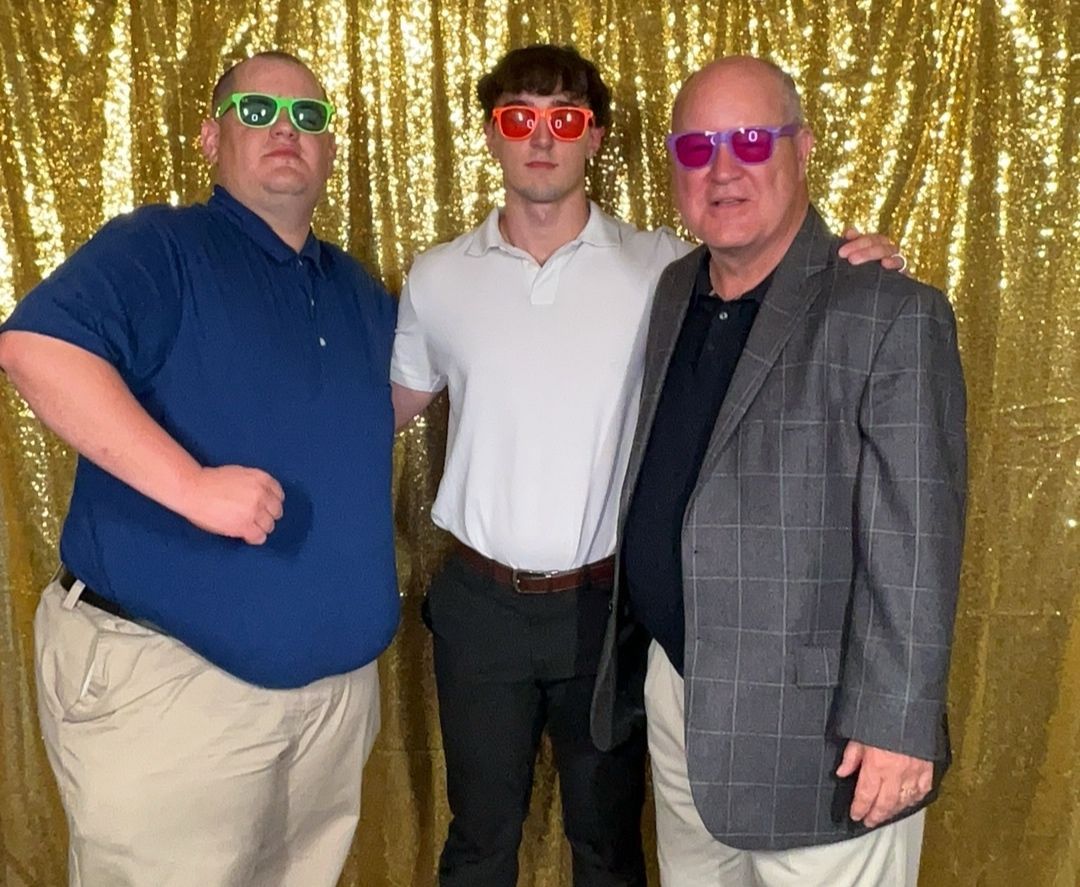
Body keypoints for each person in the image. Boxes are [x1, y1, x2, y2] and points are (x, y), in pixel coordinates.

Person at [391, 44, 902, 887]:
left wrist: (853, 265)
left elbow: (771, 272)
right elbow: (388, 407)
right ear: (490, 135)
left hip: (609, 607)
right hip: (481, 604)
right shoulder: (438, 276)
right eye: (520, 118)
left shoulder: (667, 266)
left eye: (566, 120)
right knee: (479, 837)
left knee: (609, 843)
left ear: (596, 138)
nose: (542, 138)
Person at [0, 51, 397, 886]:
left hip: (328, 705)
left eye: (308, 117)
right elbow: (36, 347)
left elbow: (377, 411)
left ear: (330, 150)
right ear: (212, 139)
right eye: (257, 113)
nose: (285, 129)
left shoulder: (357, 291)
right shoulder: (161, 247)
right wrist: (191, 486)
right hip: (173, 688)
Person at [591, 55, 967, 886]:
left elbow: (920, 537)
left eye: (752, 141)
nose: (723, 170)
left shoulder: (889, 310)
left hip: (823, 739)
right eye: (697, 148)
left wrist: (898, 724)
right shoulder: (677, 288)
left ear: (803, 148)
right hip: (681, 696)